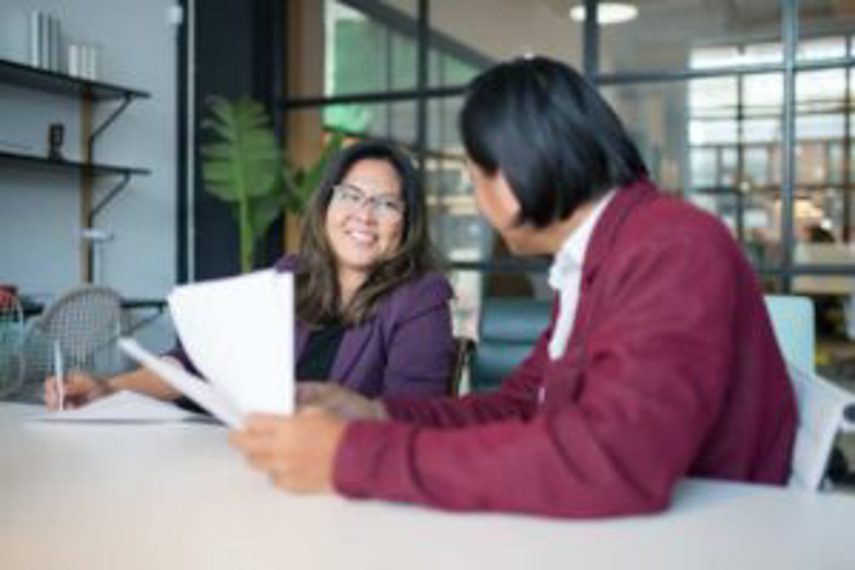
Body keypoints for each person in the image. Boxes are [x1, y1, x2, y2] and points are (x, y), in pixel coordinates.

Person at [229, 57, 797, 518]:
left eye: (476, 178)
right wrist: (376, 415)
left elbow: (611, 463)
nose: (479, 202)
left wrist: (350, 456)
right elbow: (523, 405)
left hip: (708, 537)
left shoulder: (672, 246)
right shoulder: (598, 255)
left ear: (515, 176)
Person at [44, 139, 455, 409]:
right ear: (326, 206)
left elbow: (412, 415)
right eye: (350, 196)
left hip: (341, 482)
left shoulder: (421, 296)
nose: (364, 215)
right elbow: (194, 364)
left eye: (386, 204)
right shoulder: (290, 276)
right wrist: (111, 390)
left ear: (407, 221)